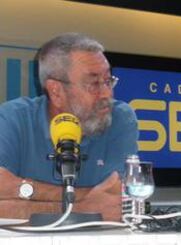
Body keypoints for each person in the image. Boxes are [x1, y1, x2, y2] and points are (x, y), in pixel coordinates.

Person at [0, 33, 138, 221]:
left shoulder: (120, 117)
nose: (107, 93)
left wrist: (23, 193)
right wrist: (84, 207)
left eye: (108, 80)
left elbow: (115, 200)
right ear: (56, 91)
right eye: (94, 83)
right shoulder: (13, 117)